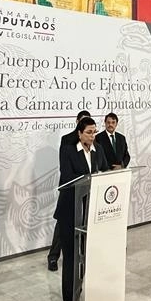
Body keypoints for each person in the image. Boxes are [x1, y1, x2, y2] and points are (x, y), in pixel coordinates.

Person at [55, 116, 109, 301]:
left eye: (94, 132)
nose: (92, 136)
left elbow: (103, 172)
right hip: (70, 211)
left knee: (87, 258)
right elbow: (68, 177)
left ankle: (82, 298)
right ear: (79, 133)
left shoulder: (99, 150)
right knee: (71, 258)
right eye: (89, 132)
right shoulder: (68, 151)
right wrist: (90, 180)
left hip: (91, 211)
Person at [47, 110, 92, 271]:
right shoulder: (67, 140)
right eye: (83, 121)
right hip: (70, 189)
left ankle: (83, 256)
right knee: (62, 224)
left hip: (88, 190)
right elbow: (65, 168)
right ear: (77, 122)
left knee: (85, 223)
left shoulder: (92, 140)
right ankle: (53, 257)